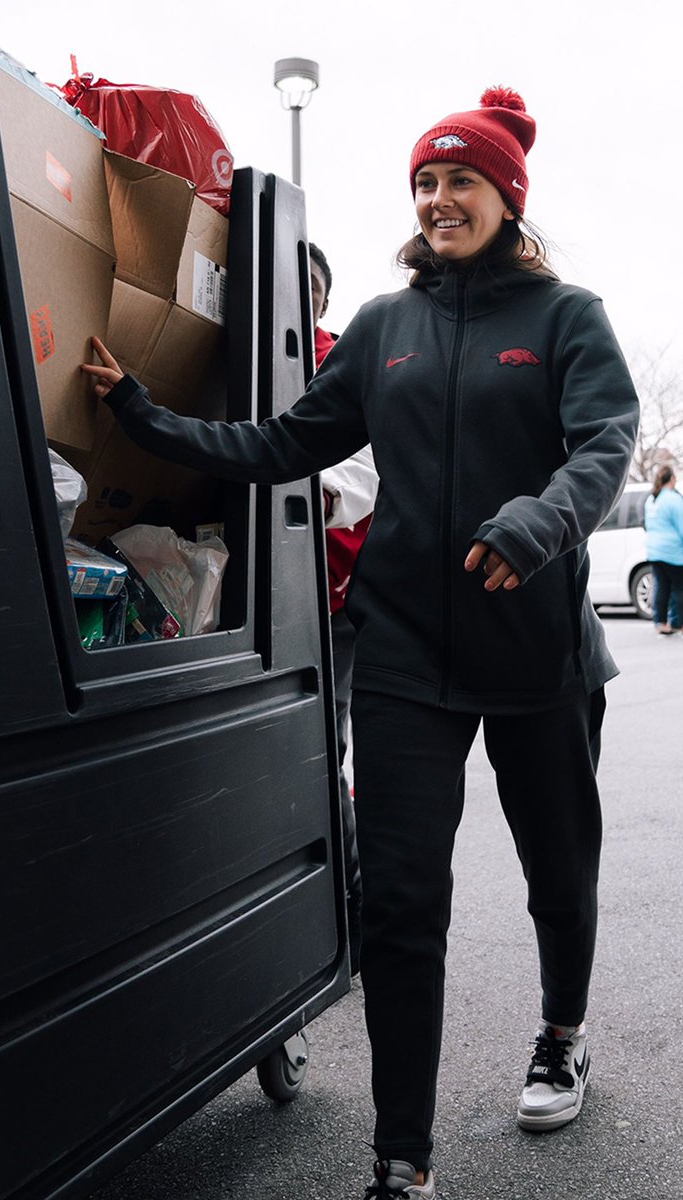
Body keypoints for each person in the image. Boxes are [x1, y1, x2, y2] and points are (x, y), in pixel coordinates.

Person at [82, 86, 640, 1200]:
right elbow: (284, 443)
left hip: (537, 651)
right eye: (424, 183)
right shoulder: (385, 328)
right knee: (398, 903)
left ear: (506, 197)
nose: (438, 199)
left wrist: (536, 523)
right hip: (402, 657)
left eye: (460, 180)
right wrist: (142, 414)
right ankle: (402, 1162)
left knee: (558, 871)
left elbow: (603, 444)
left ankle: (561, 1035)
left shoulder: (566, 317)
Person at [311, 241, 378, 974]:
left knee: (321, 755)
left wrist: (308, 489)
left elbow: (357, 481)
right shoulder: (238, 356)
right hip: (259, 600)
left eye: (310, 287)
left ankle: (358, 913)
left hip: (333, 599)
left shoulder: (339, 362)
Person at [643, 465, 683, 636]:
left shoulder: (651, 499)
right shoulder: (674, 499)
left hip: (654, 550)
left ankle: (661, 623)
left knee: (662, 588)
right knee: (682, 588)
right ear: (672, 479)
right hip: (674, 551)